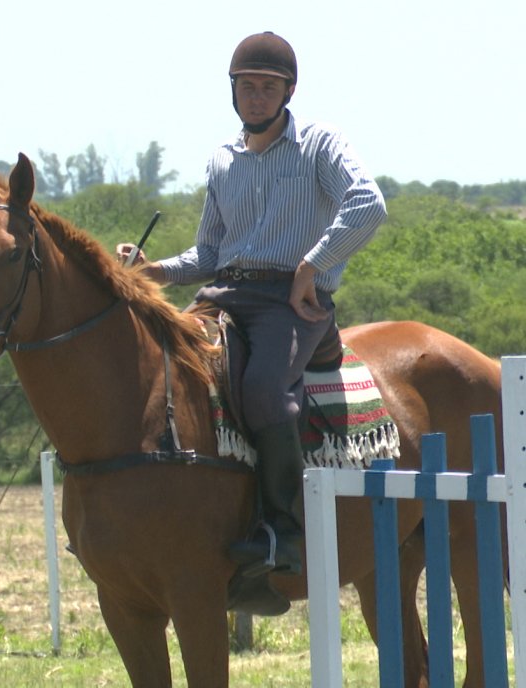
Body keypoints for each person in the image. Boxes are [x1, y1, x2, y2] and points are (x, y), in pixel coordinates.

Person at [117, 31, 387, 577]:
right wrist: (155, 270)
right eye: (248, 86)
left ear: (288, 92)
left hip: (290, 302)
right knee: (167, 370)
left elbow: (368, 203)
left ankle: (284, 533)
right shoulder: (222, 162)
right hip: (222, 295)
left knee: (264, 388)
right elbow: (210, 252)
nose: (257, 96)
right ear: (233, 91)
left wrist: (312, 265)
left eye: (269, 87)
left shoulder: (320, 144)